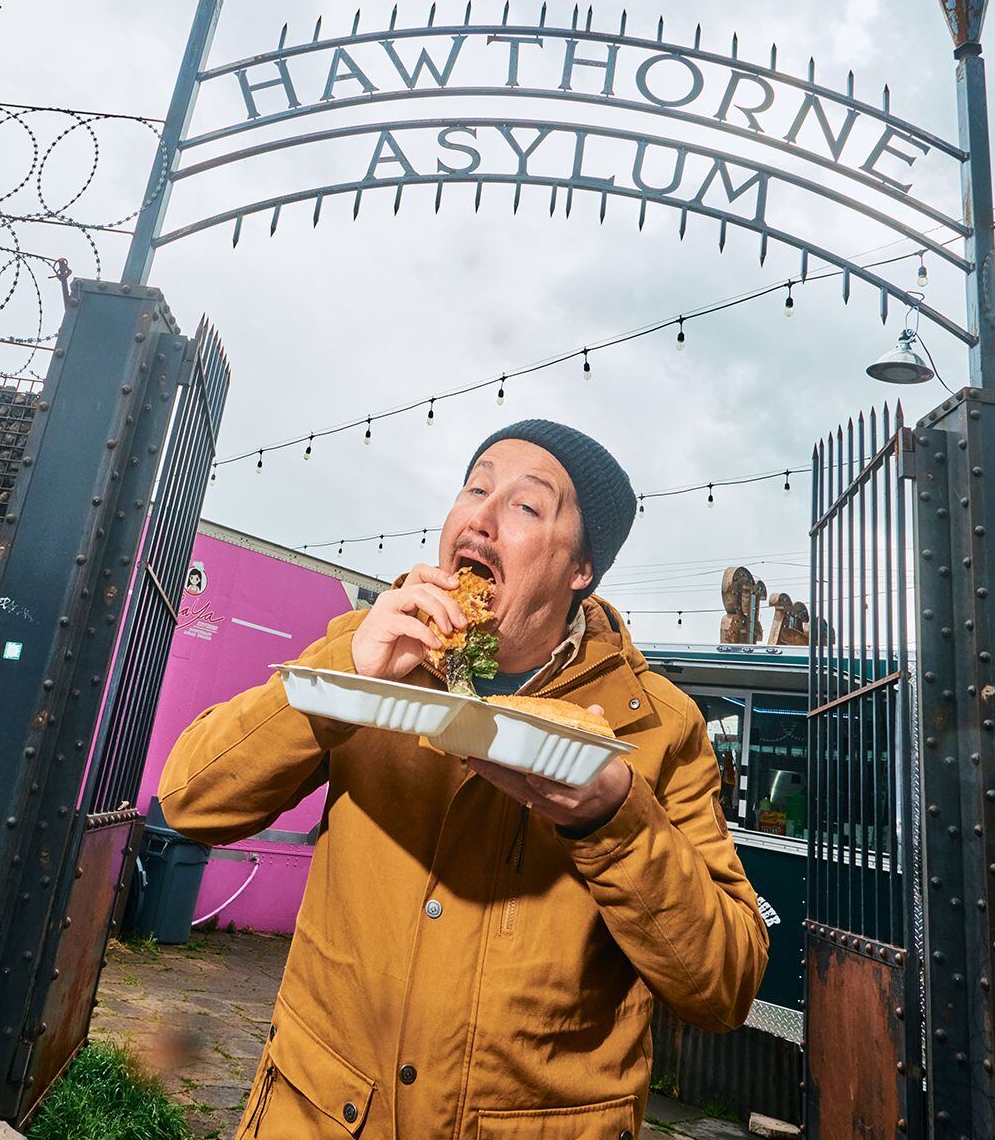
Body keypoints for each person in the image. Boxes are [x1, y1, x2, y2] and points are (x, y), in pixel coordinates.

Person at [157, 420, 768, 1138]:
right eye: (475, 487)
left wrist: (616, 819)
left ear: (580, 570)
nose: (479, 516)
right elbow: (188, 799)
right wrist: (344, 673)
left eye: (526, 505)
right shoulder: (370, 650)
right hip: (318, 1114)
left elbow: (725, 984)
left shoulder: (656, 725)